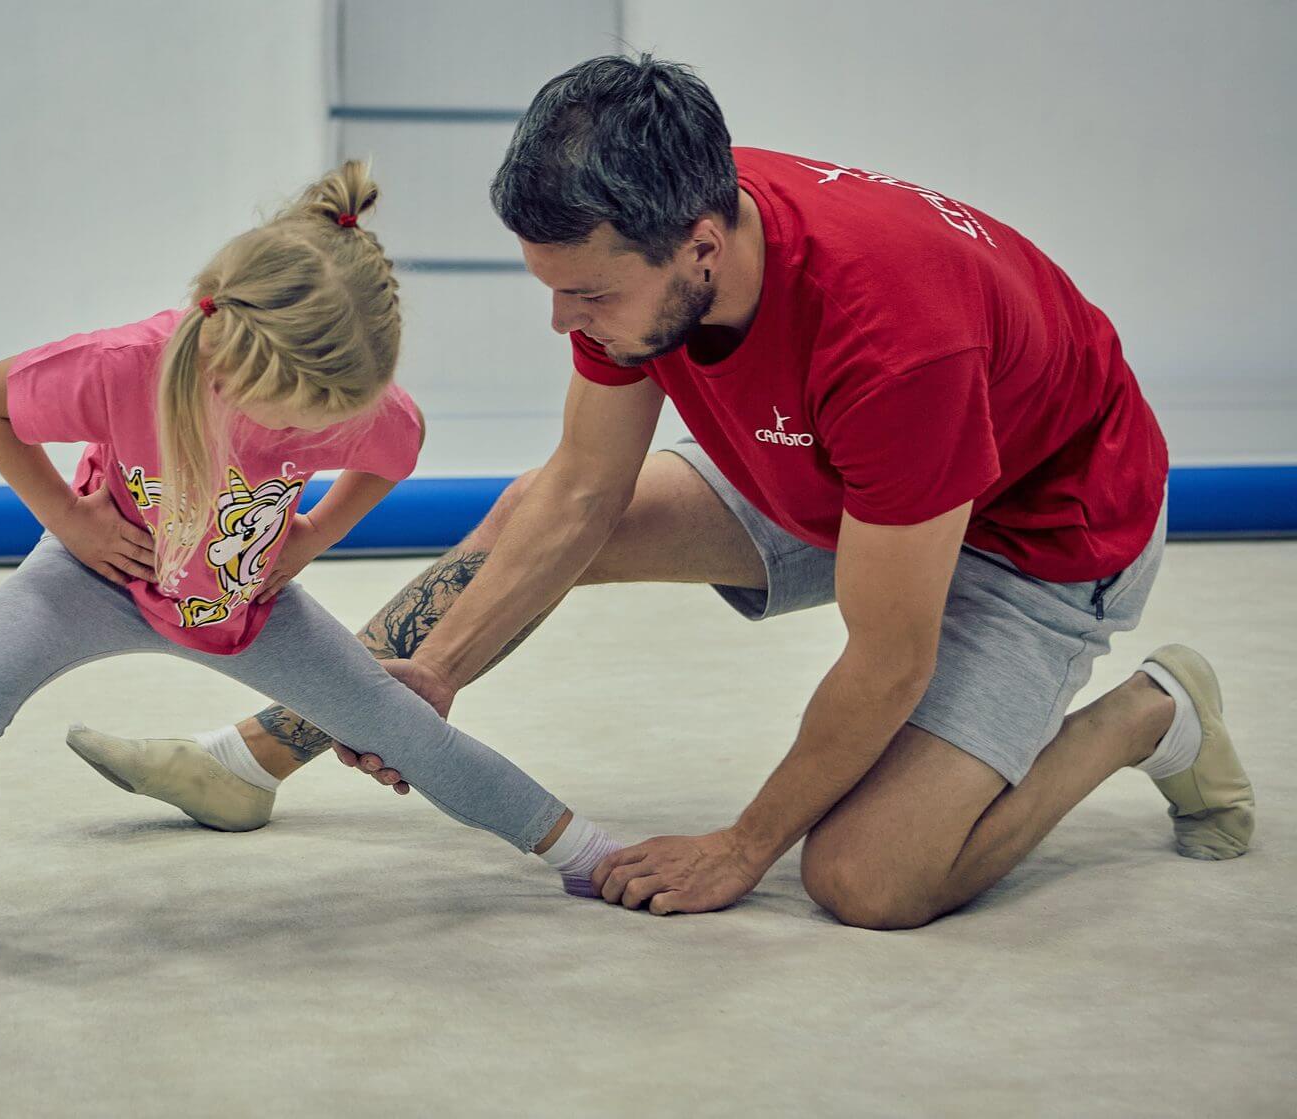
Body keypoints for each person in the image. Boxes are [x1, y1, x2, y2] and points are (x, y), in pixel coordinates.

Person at [76, 58, 1253, 931]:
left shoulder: (897, 341)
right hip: (837, 476)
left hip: (1034, 531)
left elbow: (889, 655)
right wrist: (442, 668)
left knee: (867, 883)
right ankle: (249, 761)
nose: (561, 322)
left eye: (586, 298)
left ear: (700, 242)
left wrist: (744, 846)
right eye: (552, 289)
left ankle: (1150, 714)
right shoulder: (650, 254)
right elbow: (584, 492)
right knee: (537, 503)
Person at [0, 163, 622, 989]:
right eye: (297, 416)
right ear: (232, 355)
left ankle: (582, 851)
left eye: (326, 422)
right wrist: (69, 519)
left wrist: (309, 536)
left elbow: (392, 454)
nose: (312, 434)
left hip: (245, 604)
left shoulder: (355, 405)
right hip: (98, 577)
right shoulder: (127, 365)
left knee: (401, 723)